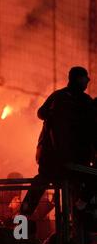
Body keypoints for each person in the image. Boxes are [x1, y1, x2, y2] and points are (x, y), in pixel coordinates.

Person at [21, 66, 95, 215]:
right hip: (62, 160)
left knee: (41, 184)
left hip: (59, 159)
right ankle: (76, 221)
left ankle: (20, 222)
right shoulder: (64, 99)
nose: (87, 81)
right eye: (85, 78)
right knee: (82, 184)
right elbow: (57, 128)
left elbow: (42, 113)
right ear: (78, 79)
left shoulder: (67, 98)